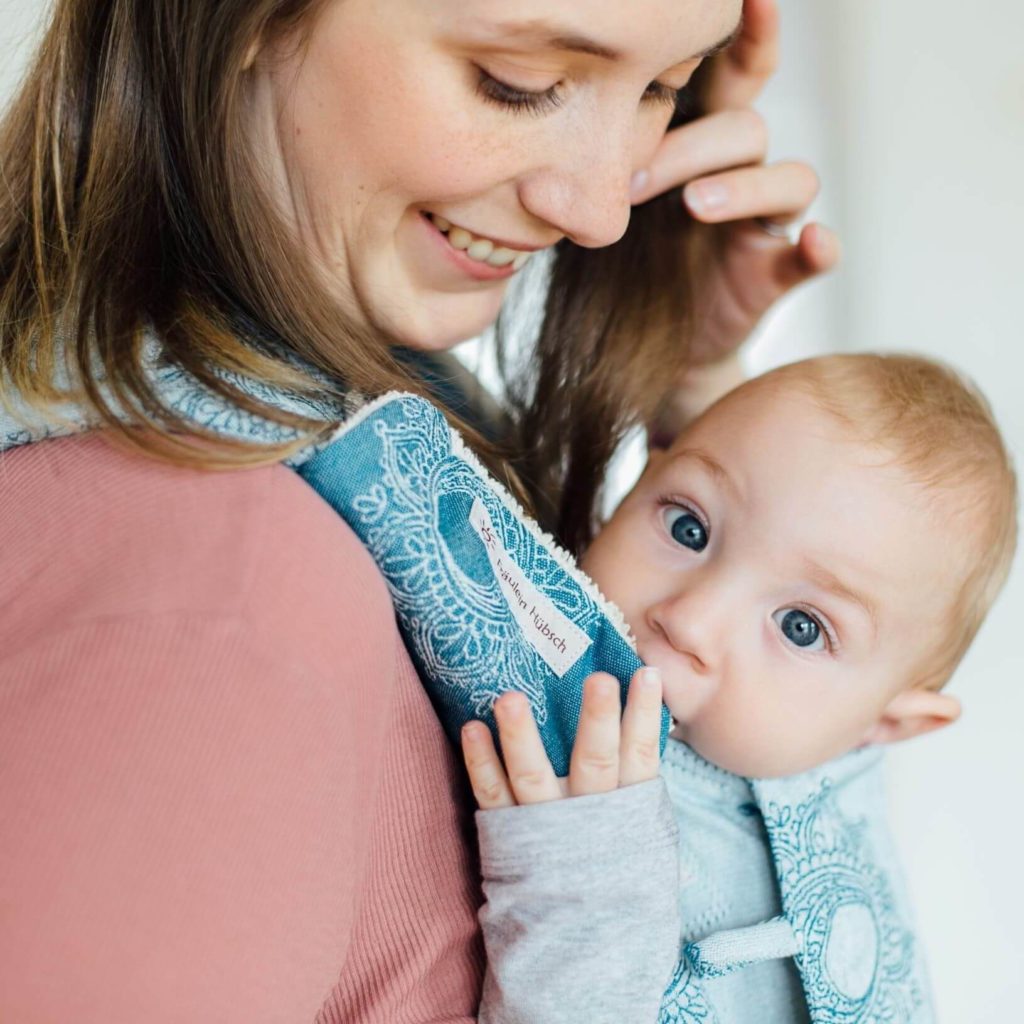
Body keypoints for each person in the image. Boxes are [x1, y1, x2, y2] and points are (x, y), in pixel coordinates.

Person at [0, 0, 838, 1019]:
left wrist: (697, 388)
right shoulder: (221, 608)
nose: (600, 210)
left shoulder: (363, 466)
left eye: (661, 89)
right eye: (519, 82)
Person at [463, 352, 1017, 1021]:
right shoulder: (545, 690)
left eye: (801, 628)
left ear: (886, 725)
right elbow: (779, 485)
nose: (690, 620)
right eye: (687, 527)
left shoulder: (841, 777)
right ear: (644, 476)